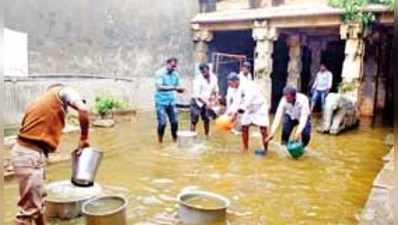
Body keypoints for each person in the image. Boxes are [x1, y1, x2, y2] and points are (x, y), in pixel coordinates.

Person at [11, 84, 90, 225]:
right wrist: (84, 138)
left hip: (28, 154)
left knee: (39, 203)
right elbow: (83, 109)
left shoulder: (37, 104)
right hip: (29, 155)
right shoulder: (62, 91)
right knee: (28, 212)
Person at [226, 72, 269, 152]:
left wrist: (235, 114)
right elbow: (236, 102)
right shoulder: (234, 89)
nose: (229, 86)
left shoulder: (247, 85)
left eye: (230, 83)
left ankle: (265, 149)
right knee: (244, 127)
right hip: (249, 109)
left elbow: (247, 101)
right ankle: (245, 148)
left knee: (263, 129)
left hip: (259, 107)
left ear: (236, 81)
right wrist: (229, 113)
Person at [154, 57, 185, 143]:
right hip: (161, 102)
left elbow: (177, 87)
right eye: (172, 66)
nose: (174, 68)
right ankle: (160, 141)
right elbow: (159, 87)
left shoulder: (176, 75)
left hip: (171, 102)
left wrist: (180, 90)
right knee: (163, 123)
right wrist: (174, 88)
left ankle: (174, 141)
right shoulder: (160, 73)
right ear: (167, 64)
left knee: (175, 122)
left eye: (175, 66)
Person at [191, 63, 219, 137]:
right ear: (200, 72)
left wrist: (216, 99)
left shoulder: (214, 77)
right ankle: (192, 136)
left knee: (207, 119)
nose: (204, 73)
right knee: (194, 119)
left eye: (205, 71)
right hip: (197, 102)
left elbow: (216, 90)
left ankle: (206, 135)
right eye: (202, 72)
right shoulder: (198, 79)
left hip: (207, 101)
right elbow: (197, 95)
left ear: (208, 70)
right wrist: (207, 103)